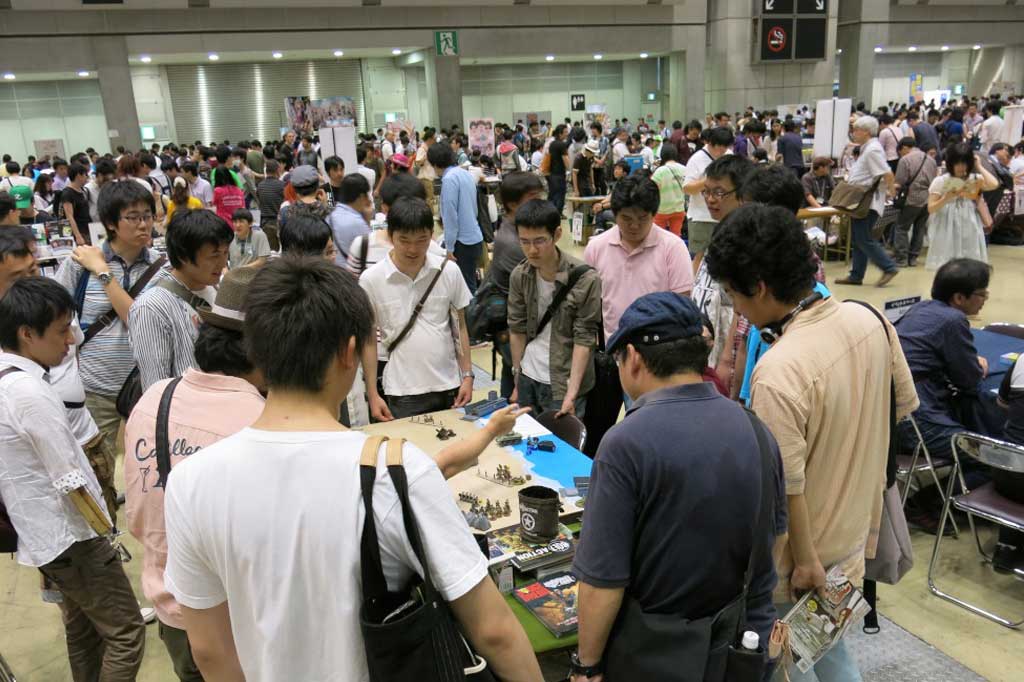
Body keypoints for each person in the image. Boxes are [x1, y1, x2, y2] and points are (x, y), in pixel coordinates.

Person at [161, 256, 542, 682]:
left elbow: (210, 650)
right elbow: (493, 631)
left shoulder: (190, 482)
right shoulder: (394, 472)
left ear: (257, 351)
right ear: (348, 352)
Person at [706, 204, 917, 682]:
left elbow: (786, 487)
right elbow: (900, 407)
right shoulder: (871, 320)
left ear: (758, 287)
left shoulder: (780, 371)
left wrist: (804, 561)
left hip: (802, 562)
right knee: (830, 649)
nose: (736, 308)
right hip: (852, 537)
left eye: (734, 295)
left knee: (791, 666)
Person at [569, 292, 785, 682]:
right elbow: (776, 539)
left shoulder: (625, 443)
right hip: (740, 650)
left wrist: (588, 665)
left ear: (632, 357)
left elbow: (603, 583)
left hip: (657, 656)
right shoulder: (757, 430)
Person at [0, 276, 146, 681]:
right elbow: (69, 476)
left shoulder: (7, 378)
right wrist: (104, 532)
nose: (71, 340)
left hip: (44, 535)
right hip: (73, 536)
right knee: (126, 633)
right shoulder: (29, 392)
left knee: (84, 630)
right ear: (27, 334)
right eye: (62, 331)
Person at [124, 267, 264, 682]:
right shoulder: (262, 422)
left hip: (173, 610)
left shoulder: (154, 398)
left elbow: (139, 516)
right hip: (242, 623)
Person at [54, 181, 165, 471]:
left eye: (148, 216)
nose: (144, 224)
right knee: (95, 468)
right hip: (94, 386)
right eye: (133, 217)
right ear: (111, 224)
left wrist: (103, 273)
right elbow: (51, 312)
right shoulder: (78, 264)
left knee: (150, 469)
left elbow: (139, 320)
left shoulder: (161, 267)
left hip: (147, 385)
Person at [359, 196, 474, 421]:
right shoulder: (371, 280)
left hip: (450, 384)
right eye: (404, 240)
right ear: (390, 236)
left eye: (421, 240)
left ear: (431, 235)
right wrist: (372, 394)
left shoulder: (448, 271)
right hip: (402, 391)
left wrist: (468, 375)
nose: (413, 249)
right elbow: (369, 340)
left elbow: (459, 327)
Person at [508, 199, 602, 418]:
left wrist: (572, 392)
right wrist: (516, 377)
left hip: (563, 383)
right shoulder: (520, 276)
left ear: (557, 234)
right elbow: (516, 328)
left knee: (562, 447)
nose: (531, 250)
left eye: (539, 241)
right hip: (528, 377)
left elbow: (584, 337)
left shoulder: (585, 278)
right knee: (526, 447)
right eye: (524, 241)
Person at [895, 259, 993, 463]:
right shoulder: (953, 320)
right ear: (959, 297)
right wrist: (977, 366)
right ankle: (935, 495)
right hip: (915, 420)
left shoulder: (920, 308)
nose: (985, 299)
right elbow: (969, 380)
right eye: (982, 294)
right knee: (988, 455)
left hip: (887, 412)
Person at [128, 209, 232, 393]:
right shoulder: (151, 308)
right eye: (214, 255)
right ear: (184, 256)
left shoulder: (214, 287)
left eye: (225, 253)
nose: (223, 262)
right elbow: (156, 389)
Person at [585, 175, 694, 342]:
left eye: (642, 218)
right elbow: (589, 306)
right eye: (626, 219)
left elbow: (682, 304)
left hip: (660, 349)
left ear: (653, 214)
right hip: (614, 349)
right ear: (614, 214)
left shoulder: (673, 248)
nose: (634, 226)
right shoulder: (596, 247)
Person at [835, 115, 900, 287]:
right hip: (863, 199)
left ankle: (888, 266)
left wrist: (891, 192)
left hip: (867, 201)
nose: (853, 133)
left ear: (866, 132)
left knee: (863, 238)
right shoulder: (867, 148)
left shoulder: (873, 150)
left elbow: (887, 173)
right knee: (858, 239)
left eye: (856, 129)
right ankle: (856, 275)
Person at [925, 142, 1000, 271]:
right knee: (947, 261)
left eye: (965, 163)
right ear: (951, 163)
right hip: (946, 223)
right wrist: (946, 198)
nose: (961, 167)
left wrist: (979, 166)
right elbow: (931, 208)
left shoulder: (975, 178)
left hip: (969, 222)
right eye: (957, 163)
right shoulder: (941, 181)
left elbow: (994, 184)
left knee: (970, 259)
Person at [431, 142, 485, 293]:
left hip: (462, 243)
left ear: (435, 163)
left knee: (465, 289)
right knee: (471, 283)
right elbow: (473, 209)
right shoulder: (465, 173)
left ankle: (471, 316)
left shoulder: (449, 179)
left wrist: (449, 247)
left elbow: (450, 217)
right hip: (474, 236)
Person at [683, 125, 734, 269]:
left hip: (725, 216)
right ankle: (695, 289)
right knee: (700, 258)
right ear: (709, 143)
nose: (722, 151)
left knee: (725, 257)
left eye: (725, 147)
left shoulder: (728, 155)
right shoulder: (696, 159)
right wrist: (708, 181)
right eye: (719, 148)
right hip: (702, 217)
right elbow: (687, 188)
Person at [891, 137, 939, 268]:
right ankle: (913, 258)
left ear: (904, 148)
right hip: (927, 199)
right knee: (920, 228)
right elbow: (935, 180)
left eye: (900, 152)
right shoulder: (931, 160)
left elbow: (899, 182)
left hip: (911, 199)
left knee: (901, 228)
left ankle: (901, 259)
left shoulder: (905, 160)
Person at [326, 173, 372, 264]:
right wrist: (367, 220)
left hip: (333, 271)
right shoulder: (357, 223)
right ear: (362, 197)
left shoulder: (330, 216)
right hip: (350, 274)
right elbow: (371, 250)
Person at [650, 144, 687, 237]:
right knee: (676, 236)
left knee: (658, 236)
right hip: (679, 209)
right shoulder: (684, 169)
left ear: (663, 155)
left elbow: (652, 189)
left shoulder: (660, 171)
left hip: (662, 209)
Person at [60, 162, 93, 246]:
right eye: (85, 175)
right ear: (79, 175)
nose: (87, 177)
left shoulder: (83, 190)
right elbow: (69, 216)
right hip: (79, 231)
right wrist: (78, 236)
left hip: (88, 229)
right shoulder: (67, 193)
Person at [256, 159, 285, 250]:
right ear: (277, 170)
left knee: (270, 251)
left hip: (265, 223)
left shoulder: (260, 186)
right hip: (279, 221)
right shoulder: (282, 185)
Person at [546, 124, 571, 217]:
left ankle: (550, 213)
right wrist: (570, 171)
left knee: (552, 193)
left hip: (552, 173)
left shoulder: (552, 143)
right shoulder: (561, 144)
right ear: (560, 134)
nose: (567, 134)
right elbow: (566, 160)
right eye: (565, 132)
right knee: (560, 193)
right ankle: (558, 213)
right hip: (560, 173)